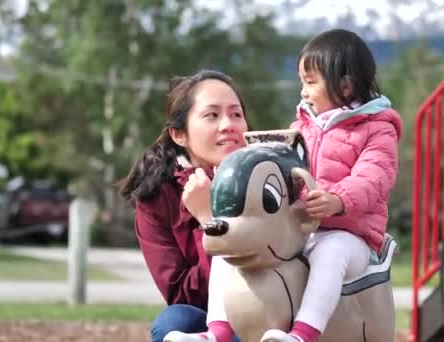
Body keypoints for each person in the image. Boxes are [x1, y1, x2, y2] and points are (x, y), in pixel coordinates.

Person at [165, 29, 402, 342]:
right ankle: (217, 331)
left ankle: (304, 333)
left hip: (352, 233)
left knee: (330, 253)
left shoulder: (377, 129)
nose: (303, 91)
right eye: (302, 81)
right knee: (232, 249)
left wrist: (337, 200)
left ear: (344, 85)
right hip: (304, 227)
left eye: (311, 82)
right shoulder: (301, 127)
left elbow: (374, 178)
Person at [118, 70, 249, 342]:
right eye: (212, 115)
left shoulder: (268, 177)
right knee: (175, 322)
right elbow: (182, 296)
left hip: (273, 312)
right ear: (179, 135)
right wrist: (209, 224)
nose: (228, 124)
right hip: (211, 320)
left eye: (236, 114)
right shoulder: (158, 199)